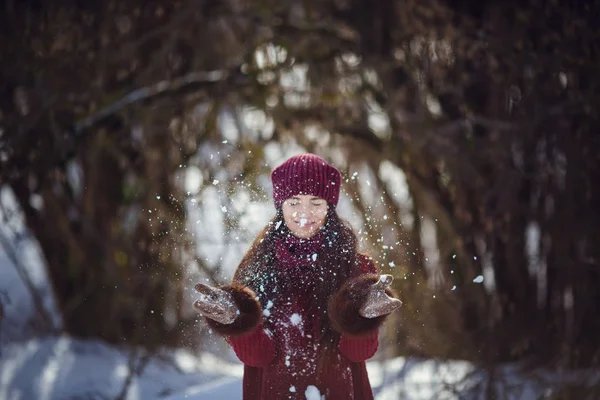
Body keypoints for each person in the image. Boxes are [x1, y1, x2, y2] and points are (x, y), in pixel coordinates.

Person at [193, 153, 402, 400]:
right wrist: (237, 320)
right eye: (294, 202)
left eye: (316, 202)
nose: (305, 213)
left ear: (329, 207)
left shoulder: (356, 267)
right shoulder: (257, 267)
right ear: (280, 206)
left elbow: (358, 354)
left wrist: (364, 318)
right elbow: (258, 357)